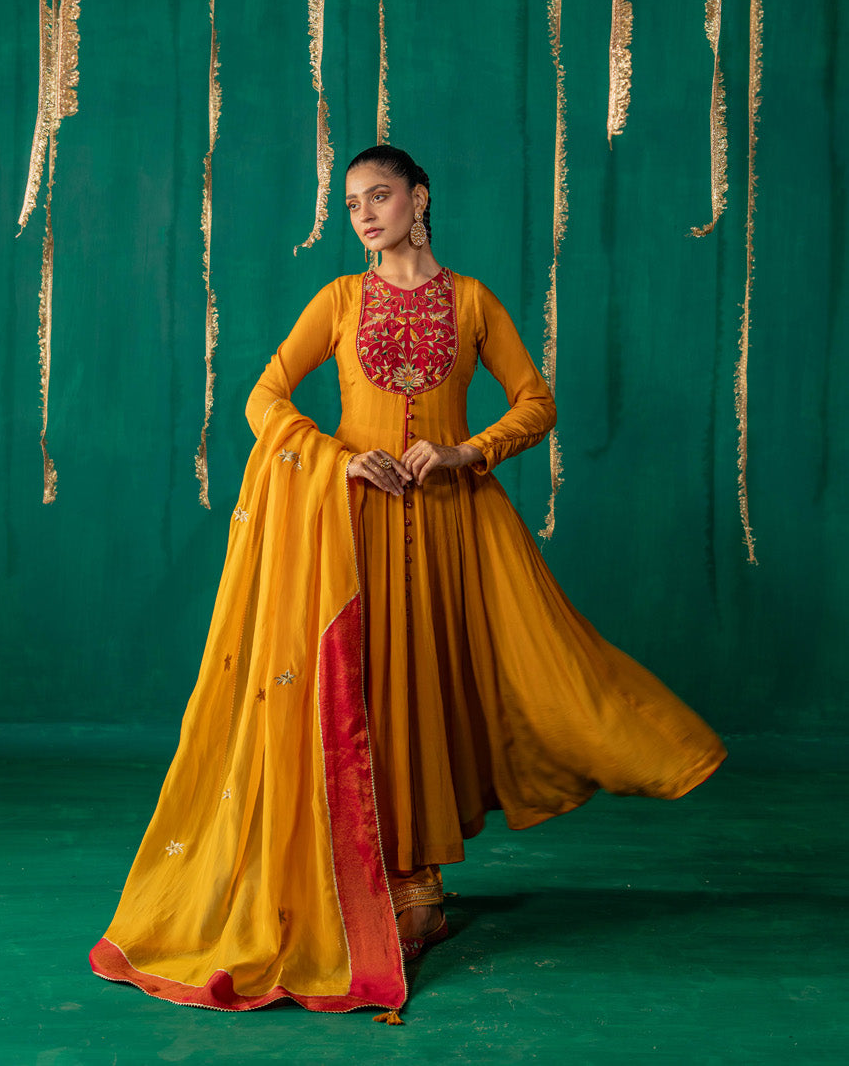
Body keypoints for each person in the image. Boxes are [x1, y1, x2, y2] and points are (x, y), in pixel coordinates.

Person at [90, 146, 725, 1019]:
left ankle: (420, 882)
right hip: (355, 535)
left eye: (379, 195)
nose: (363, 213)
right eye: (351, 202)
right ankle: (380, 878)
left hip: (461, 531)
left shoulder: (472, 303)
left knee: (454, 688)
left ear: (418, 198)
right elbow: (265, 399)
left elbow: (535, 401)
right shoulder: (339, 302)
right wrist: (337, 462)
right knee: (370, 693)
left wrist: (467, 450)